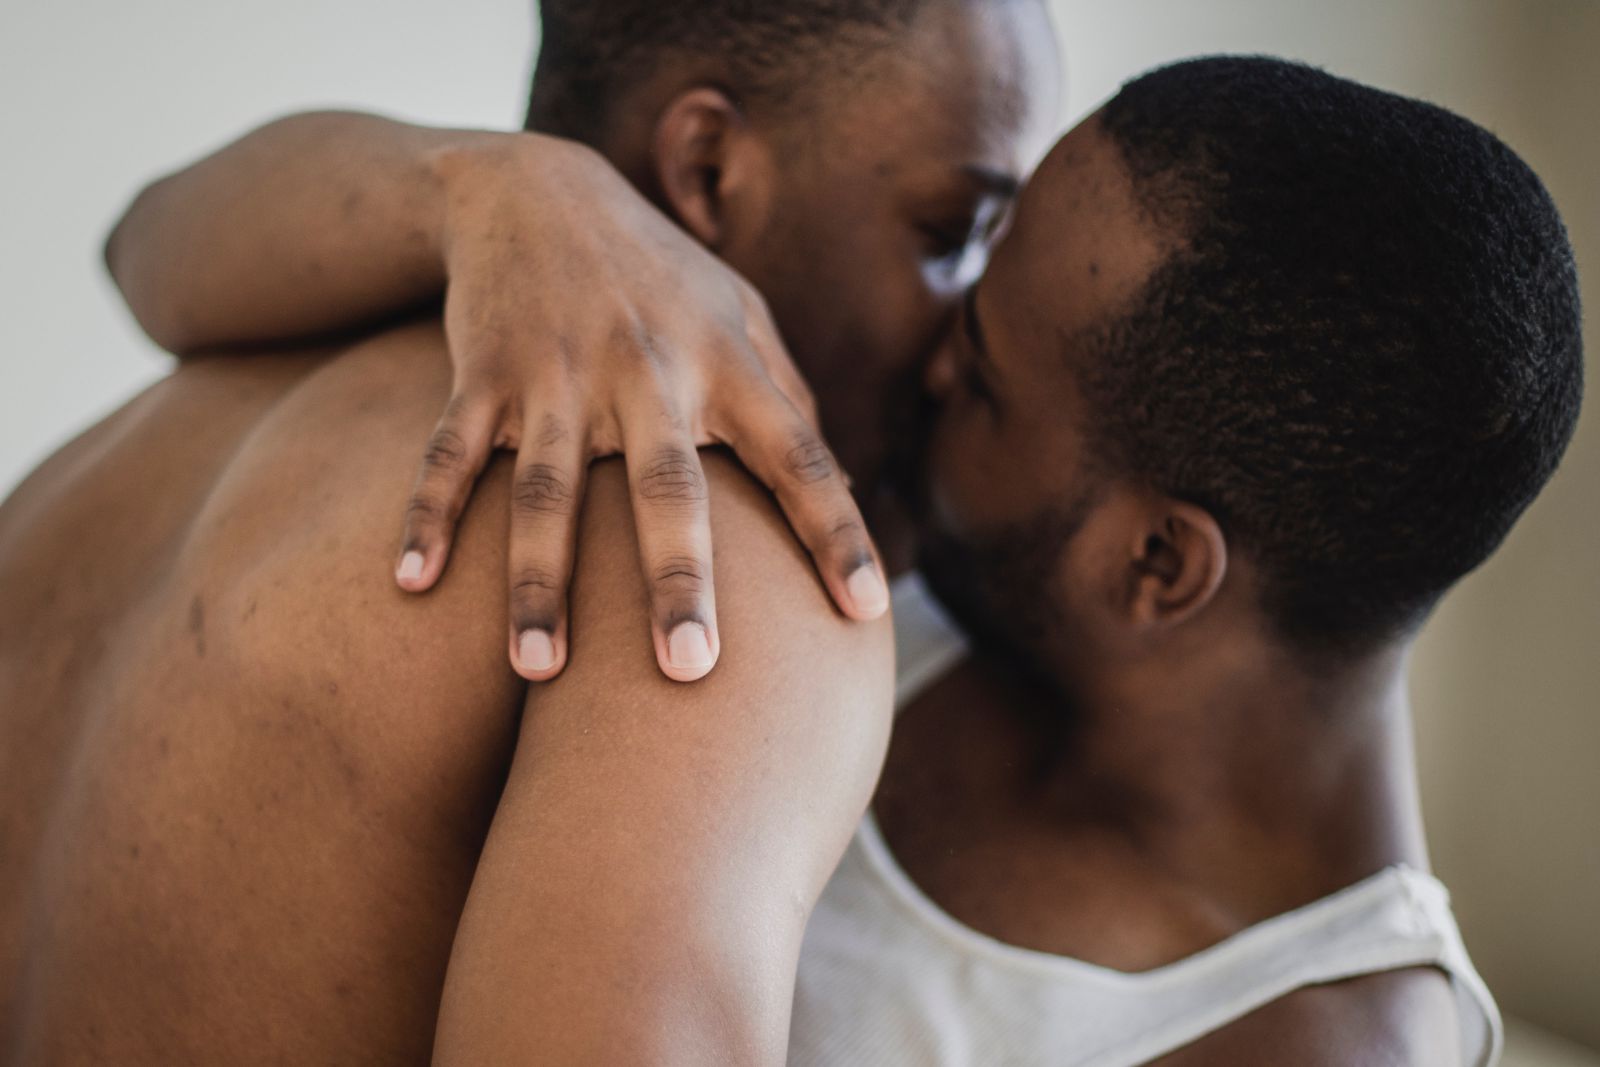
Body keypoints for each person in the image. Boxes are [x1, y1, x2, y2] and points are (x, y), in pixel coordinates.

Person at [104, 50, 1582, 1067]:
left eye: (984, 379)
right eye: (961, 246)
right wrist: (516, 191)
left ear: (1154, 565)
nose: (927, 356)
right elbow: (154, 249)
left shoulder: (1311, 1038)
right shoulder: (949, 579)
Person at [0, 1, 1058, 1063]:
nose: (965, 342)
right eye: (951, 234)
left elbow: (139, 241)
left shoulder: (208, 380)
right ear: (706, 168)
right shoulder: (700, 563)